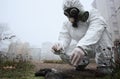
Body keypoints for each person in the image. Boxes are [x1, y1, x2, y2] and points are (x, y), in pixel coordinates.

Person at [51, 0, 114, 75]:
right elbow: (64, 38)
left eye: (73, 12)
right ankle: (81, 63)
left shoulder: (93, 13)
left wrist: (82, 47)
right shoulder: (66, 24)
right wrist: (59, 45)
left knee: (102, 31)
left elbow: (95, 30)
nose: (71, 16)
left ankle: (105, 64)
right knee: (63, 50)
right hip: (81, 51)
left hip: (95, 48)